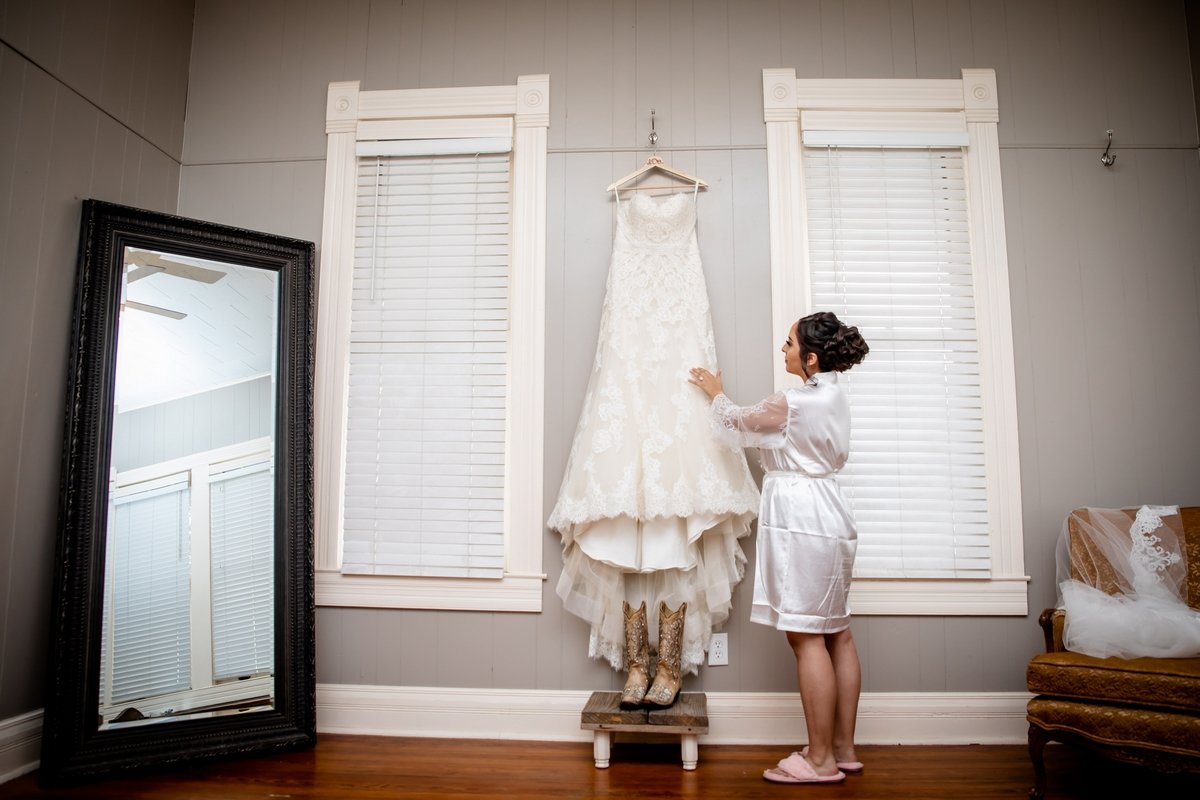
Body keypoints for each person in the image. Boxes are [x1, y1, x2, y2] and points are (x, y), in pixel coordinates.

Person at [689, 310, 869, 785]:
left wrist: (715, 393)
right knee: (838, 631)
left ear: (810, 358)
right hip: (832, 512)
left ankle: (820, 760)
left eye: (790, 343)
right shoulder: (835, 396)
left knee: (805, 634)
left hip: (801, 519)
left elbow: (737, 422)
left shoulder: (793, 402)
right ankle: (843, 748)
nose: (783, 350)